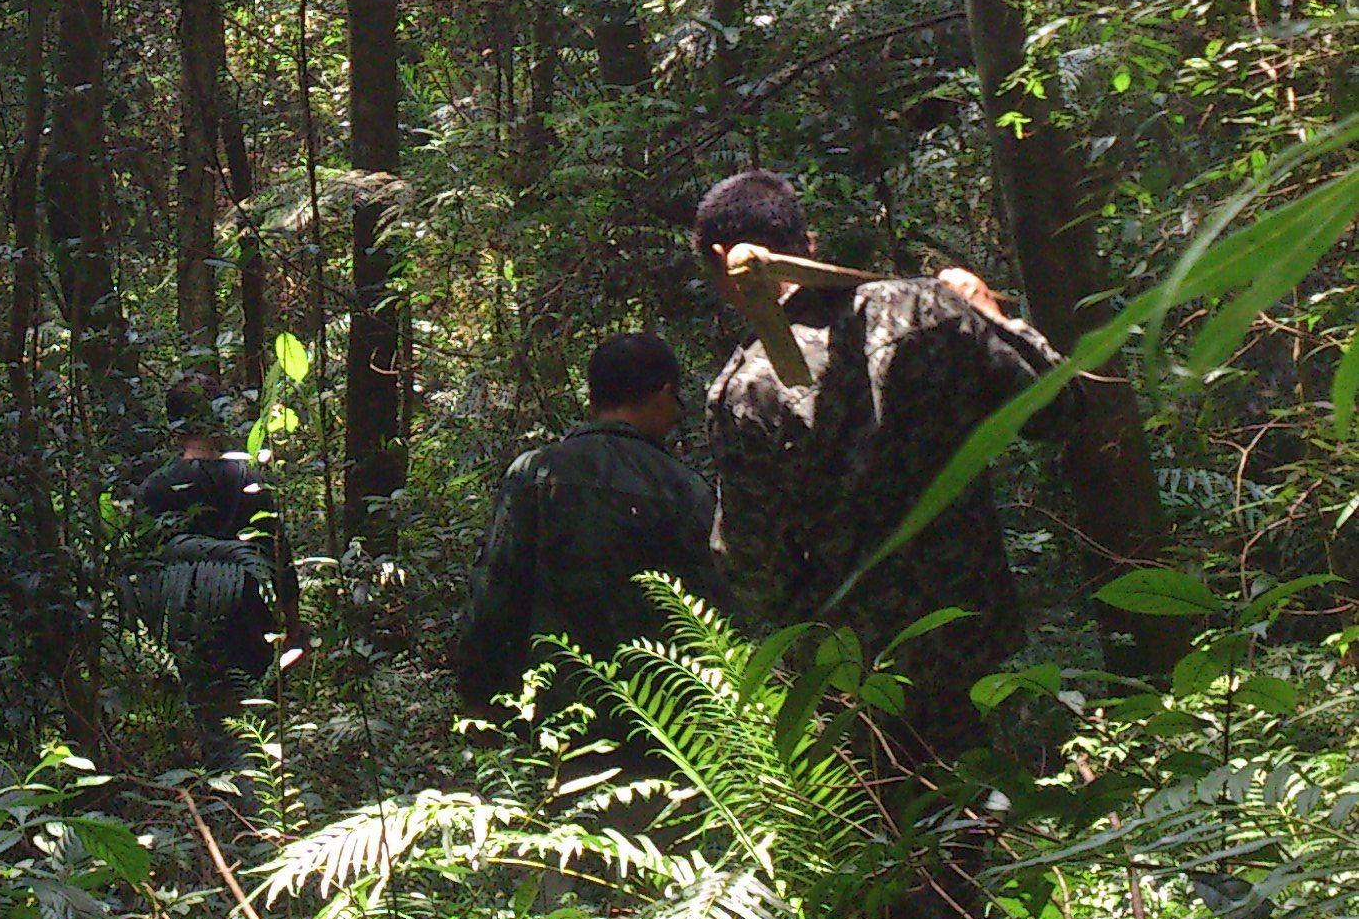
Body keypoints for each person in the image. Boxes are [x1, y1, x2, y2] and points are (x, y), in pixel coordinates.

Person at [693, 166, 1059, 765]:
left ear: (721, 264)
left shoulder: (745, 390)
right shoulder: (932, 311)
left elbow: (752, 563)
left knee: (899, 841)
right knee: (1003, 813)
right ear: (808, 246)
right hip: (976, 642)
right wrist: (990, 314)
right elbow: (1058, 407)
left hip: (856, 680)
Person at [453, 332, 719, 735]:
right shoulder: (686, 490)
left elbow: (495, 593)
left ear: (592, 399)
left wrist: (479, 702)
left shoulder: (534, 474)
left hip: (550, 721)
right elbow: (713, 618)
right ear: (664, 394)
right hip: (660, 729)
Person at [130, 376, 303, 763]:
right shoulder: (249, 482)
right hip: (250, 621)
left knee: (211, 726)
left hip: (188, 624)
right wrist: (294, 626)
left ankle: (230, 801)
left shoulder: (157, 488)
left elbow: (144, 571)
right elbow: (279, 557)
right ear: (217, 420)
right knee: (253, 726)